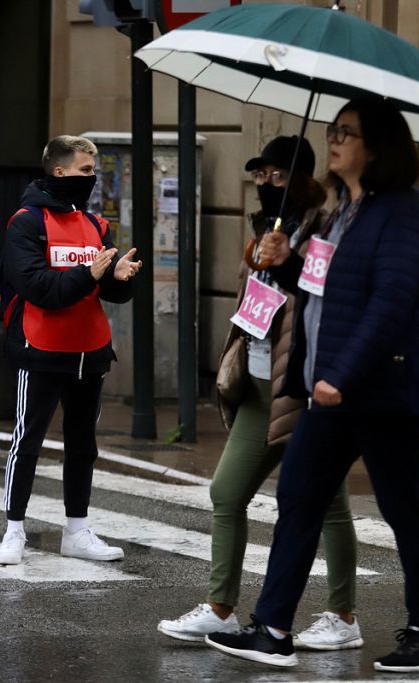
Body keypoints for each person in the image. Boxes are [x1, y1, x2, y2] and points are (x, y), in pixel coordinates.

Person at [204, 96, 419, 673]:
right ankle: (272, 628)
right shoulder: (346, 210)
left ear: (378, 147)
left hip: (386, 392)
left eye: (347, 132)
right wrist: (285, 263)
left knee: (404, 510)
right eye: (333, 129)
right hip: (331, 391)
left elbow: (389, 307)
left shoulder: (403, 215)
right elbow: (324, 292)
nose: (334, 140)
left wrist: (338, 376)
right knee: (297, 497)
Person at [157, 136, 363, 652]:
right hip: (255, 379)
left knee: (328, 503)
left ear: (302, 179)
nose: (267, 184)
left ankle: (342, 614)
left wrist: (287, 258)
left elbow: (321, 296)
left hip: (295, 385)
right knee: (229, 492)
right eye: (260, 175)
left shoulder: (322, 227)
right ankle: (223, 610)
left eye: (277, 175)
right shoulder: (263, 228)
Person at [0, 135, 142, 566]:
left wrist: (121, 277)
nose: (91, 179)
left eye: (93, 172)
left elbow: (107, 291)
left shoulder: (96, 226)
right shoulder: (26, 222)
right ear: (59, 171)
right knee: (28, 441)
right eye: (85, 171)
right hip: (40, 347)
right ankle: (14, 531)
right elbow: (40, 288)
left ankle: (76, 530)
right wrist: (90, 272)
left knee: (83, 445)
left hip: (89, 349)